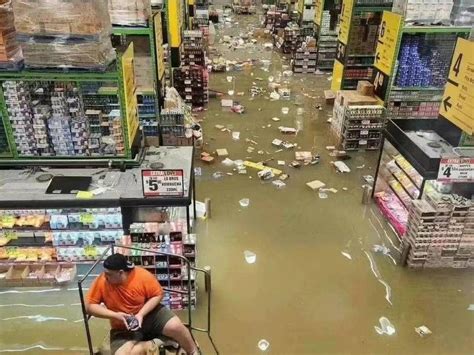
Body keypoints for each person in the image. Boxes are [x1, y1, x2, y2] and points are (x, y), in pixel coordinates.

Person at [86, 253, 199, 355]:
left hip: (149, 314)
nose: (105, 276)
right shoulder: (102, 281)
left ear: (120, 273)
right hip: (122, 326)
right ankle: (158, 342)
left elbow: (158, 294)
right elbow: (90, 307)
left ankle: (193, 351)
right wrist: (117, 316)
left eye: (109, 274)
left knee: (176, 326)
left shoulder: (142, 276)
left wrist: (141, 314)